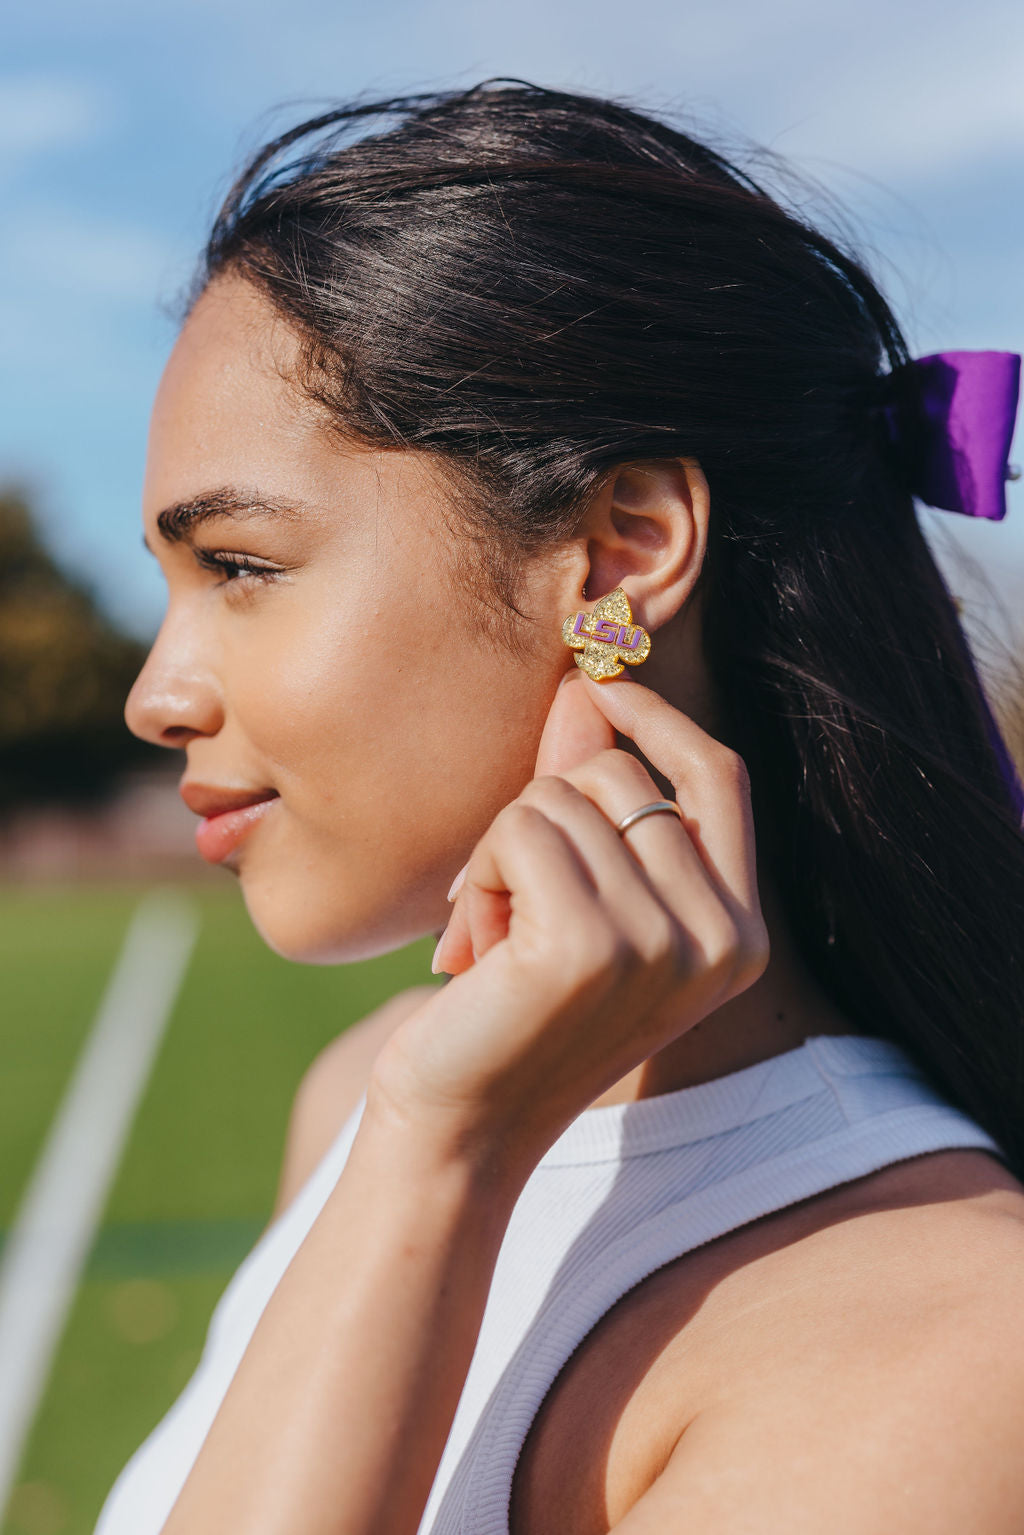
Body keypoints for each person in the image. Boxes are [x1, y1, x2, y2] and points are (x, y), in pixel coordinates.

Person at [96, 81, 1024, 1534]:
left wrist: (442, 1162)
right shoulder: (374, 1094)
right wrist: (427, 1149)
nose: (157, 694)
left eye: (242, 566)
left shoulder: (959, 1356)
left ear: (621, 554)